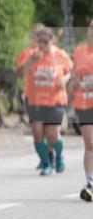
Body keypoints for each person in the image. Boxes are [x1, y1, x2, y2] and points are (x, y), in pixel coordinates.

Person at [17, 26, 73, 176]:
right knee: (37, 134)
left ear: (52, 40)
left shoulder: (60, 55)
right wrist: (31, 62)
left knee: (52, 135)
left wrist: (64, 79)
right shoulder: (30, 54)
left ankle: (59, 155)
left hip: (55, 100)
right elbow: (19, 74)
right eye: (39, 42)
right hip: (35, 100)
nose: (42, 45)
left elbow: (72, 72)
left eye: (45, 42)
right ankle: (47, 163)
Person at [68, 18, 93, 201]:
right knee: (90, 142)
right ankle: (90, 183)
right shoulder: (79, 51)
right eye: (91, 27)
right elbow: (73, 77)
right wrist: (73, 85)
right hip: (84, 103)